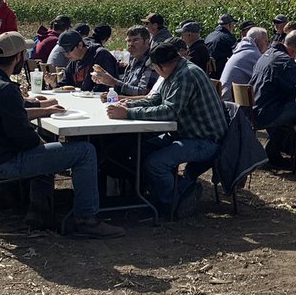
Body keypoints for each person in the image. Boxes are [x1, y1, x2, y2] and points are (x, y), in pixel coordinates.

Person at [0, 31, 121, 237]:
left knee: (50, 146)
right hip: (1, 165)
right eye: (25, 54)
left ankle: (40, 212)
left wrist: (43, 115)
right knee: (85, 151)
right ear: (18, 57)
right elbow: (24, 140)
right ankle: (87, 219)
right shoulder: (4, 89)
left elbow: (5, 115)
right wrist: (44, 143)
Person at [108, 42, 228, 217]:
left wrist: (128, 113)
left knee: (156, 163)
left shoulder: (186, 75)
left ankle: (175, 200)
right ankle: (171, 191)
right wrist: (128, 105)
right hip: (186, 134)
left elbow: (169, 111)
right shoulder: (175, 71)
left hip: (205, 140)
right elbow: (155, 99)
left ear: (159, 67)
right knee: (140, 151)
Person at [249, 30, 296, 168]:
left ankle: (278, 149)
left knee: (295, 110)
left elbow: (287, 83)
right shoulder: (285, 62)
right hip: (268, 112)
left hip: (254, 109)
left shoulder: (268, 55)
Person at [93, 26, 157, 97]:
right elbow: (126, 84)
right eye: (129, 41)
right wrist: (105, 80)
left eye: (135, 40)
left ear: (146, 42)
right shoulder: (133, 59)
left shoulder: (151, 62)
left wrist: (113, 82)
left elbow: (143, 92)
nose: (131, 44)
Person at [218, 27, 267, 100]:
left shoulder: (240, 50)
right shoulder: (253, 54)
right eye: (265, 41)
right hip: (233, 103)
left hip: (224, 100)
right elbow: (265, 77)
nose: (267, 44)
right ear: (256, 41)